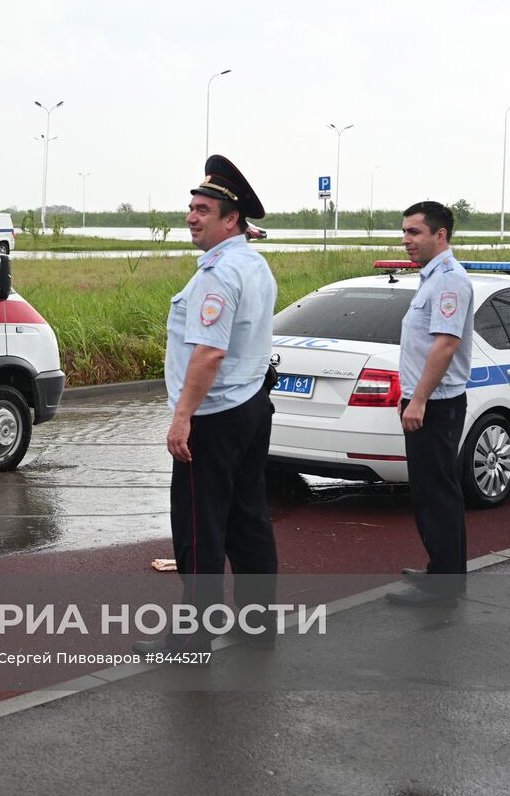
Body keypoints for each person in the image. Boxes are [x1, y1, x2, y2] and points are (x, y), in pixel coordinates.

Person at [134, 155, 279, 656]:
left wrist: (182, 418)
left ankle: (193, 639)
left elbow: (209, 353)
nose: (191, 217)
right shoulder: (253, 264)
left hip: (214, 417)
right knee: (249, 519)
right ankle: (258, 625)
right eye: (192, 207)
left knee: (199, 529)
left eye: (203, 210)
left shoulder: (218, 274)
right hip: (250, 405)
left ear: (231, 219)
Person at [387, 200, 474, 606]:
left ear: (440, 235)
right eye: (404, 232)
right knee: (431, 490)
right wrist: (408, 394)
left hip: (437, 403)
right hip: (426, 398)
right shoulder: (432, 278)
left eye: (414, 232)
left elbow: (445, 345)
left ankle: (444, 585)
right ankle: (443, 570)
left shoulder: (449, 281)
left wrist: (418, 400)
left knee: (436, 493)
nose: (406, 240)